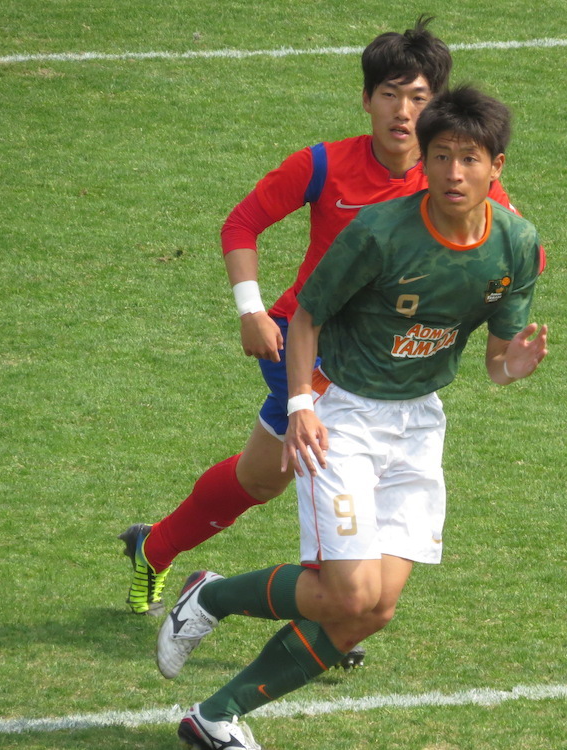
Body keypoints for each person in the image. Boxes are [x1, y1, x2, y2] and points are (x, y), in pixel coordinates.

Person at [119, 17, 525, 667]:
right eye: (389, 95)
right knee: (327, 458)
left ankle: (156, 547)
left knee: (261, 478)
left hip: (377, 356)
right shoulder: (324, 164)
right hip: (301, 341)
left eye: (418, 98)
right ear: (366, 100)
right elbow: (242, 223)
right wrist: (250, 311)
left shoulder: (457, 176)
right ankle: (337, 603)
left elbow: (508, 246)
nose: (402, 112)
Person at [155, 85, 549, 750]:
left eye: (470, 159)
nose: (454, 173)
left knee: (375, 609)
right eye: (442, 157)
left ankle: (215, 715)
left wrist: (513, 366)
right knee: (344, 594)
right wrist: (302, 404)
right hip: (346, 419)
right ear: (426, 159)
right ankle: (211, 599)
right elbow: (308, 314)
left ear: (496, 167)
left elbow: (494, 363)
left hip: (420, 424)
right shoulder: (379, 233)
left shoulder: (516, 246)